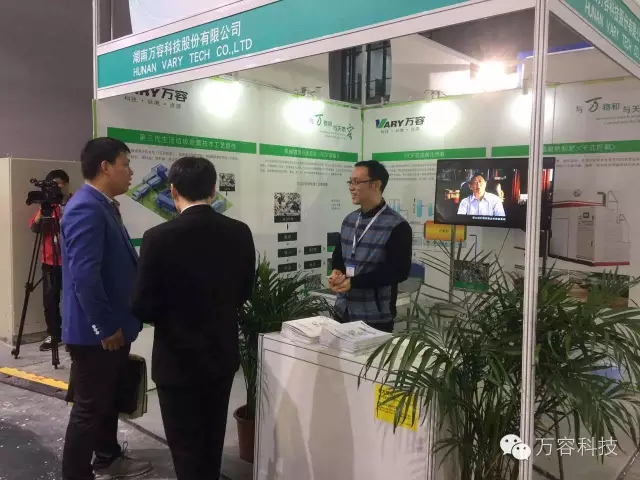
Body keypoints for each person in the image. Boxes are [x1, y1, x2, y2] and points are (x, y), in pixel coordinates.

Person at [131, 156, 256, 480]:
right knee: (212, 442)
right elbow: (244, 290)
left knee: (184, 447)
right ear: (213, 190)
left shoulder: (157, 237)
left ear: (172, 190)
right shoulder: (239, 232)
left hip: (176, 360)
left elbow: (143, 306)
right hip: (220, 355)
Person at [60, 138, 151, 480]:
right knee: (89, 409)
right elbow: (85, 276)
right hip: (96, 333)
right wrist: (105, 326)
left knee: (105, 401)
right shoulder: (86, 207)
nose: (130, 172)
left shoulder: (103, 205)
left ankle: (107, 457)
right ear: (105, 167)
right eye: (125, 164)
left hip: (111, 327)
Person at [328, 160, 412, 333]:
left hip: (375, 317)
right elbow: (339, 257)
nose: (351, 187)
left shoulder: (397, 226)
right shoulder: (349, 220)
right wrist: (337, 272)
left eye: (357, 182)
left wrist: (354, 282)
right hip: (343, 310)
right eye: (350, 182)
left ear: (376, 185)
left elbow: (398, 271)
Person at [28, 169, 72, 351]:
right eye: (53, 184)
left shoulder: (75, 203)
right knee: (50, 301)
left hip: (70, 261)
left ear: (66, 184)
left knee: (73, 300)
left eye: (59, 183)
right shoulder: (45, 207)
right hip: (49, 261)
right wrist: (44, 208)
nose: (57, 187)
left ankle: (73, 335)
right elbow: (35, 228)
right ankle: (54, 334)